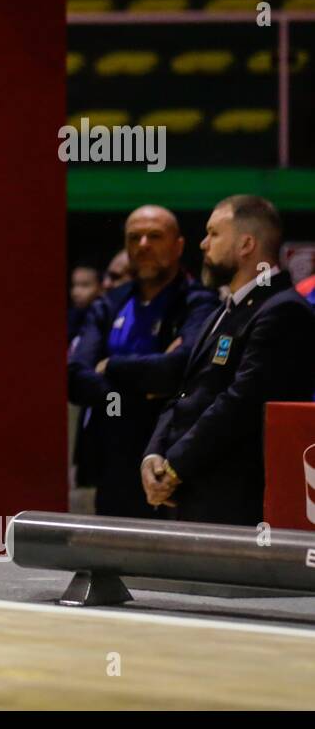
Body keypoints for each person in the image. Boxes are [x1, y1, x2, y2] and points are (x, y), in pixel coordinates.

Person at [142, 196, 315, 524]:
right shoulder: (223, 311)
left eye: (214, 233)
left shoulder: (283, 310)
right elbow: (186, 391)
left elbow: (241, 403)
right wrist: (154, 453)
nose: (204, 244)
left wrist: (175, 465)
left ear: (246, 243)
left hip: (238, 505)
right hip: (194, 492)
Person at [68, 206, 217, 518]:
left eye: (155, 236)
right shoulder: (109, 304)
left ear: (178, 245)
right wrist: (141, 390)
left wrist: (110, 367)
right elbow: (75, 377)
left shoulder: (199, 302)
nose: (144, 245)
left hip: (170, 463)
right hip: (112, 465)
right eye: (134, 238)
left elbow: (178, 369)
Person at [67, 263, 102, 343]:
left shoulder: (104, 322)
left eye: (84, 285)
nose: (75, 292)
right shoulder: (71, 317)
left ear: (101, 287)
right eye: (73, 285)